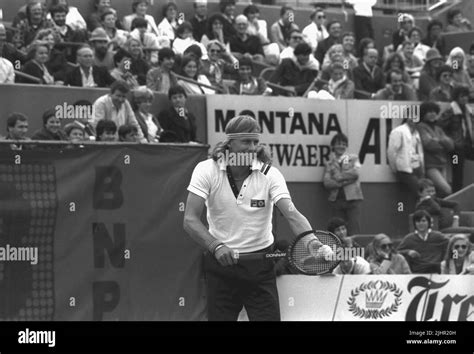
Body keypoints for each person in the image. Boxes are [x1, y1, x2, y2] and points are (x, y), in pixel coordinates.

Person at [183, 115, 330, 321]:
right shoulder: (206, 170)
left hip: (260, 269)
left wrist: (313, 243)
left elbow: (292, 214)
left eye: (255, 142)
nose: (252, 147)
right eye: (245, 141)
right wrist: (216, 246)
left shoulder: (271, 175)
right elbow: (190, 219)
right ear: (230, 142)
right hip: (220, 267)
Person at [323, 133, 363, 235]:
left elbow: (355, 174)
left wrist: (338, 177)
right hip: (337, 201)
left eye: (344, 144)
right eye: (339, 144)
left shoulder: (354, 158)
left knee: (355, 229)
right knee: (337, 231)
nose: (341, 146)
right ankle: (339, 250)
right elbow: (327, 182)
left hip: (353, 199)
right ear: (333, 146)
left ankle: (355, 250)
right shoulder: (329, 163)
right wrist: (343, 183)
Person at [438, 85, 474, 192]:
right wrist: (450, 140)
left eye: (466, 96)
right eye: (462, 96)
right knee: (457, 169)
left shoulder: (469, 111)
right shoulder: (451, 111)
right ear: (456, 98)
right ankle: (456, 194)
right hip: (456, 147)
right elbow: (440, 126)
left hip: (469, 145)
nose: (464, 99)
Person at [417, 102, 454, 197]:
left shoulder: (438, 128)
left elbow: (451, 146)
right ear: (423, 114)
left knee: (440, 193)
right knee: (447, 189)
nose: (433, 114)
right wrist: (442, 143)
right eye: (429, 111)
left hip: (442, 165)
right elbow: (429, 144)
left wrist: (439, 140)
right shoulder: (420, 127)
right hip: (430, 166)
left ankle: (438, 211)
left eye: (434, 111)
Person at [387, 117, 424, 199]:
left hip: (417, 168)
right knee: (420, 192)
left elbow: (419, 151)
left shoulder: (416, 132)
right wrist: (395, 169)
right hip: (404, 170)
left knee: (424, 191)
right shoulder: (398, 131)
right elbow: (392, 152)